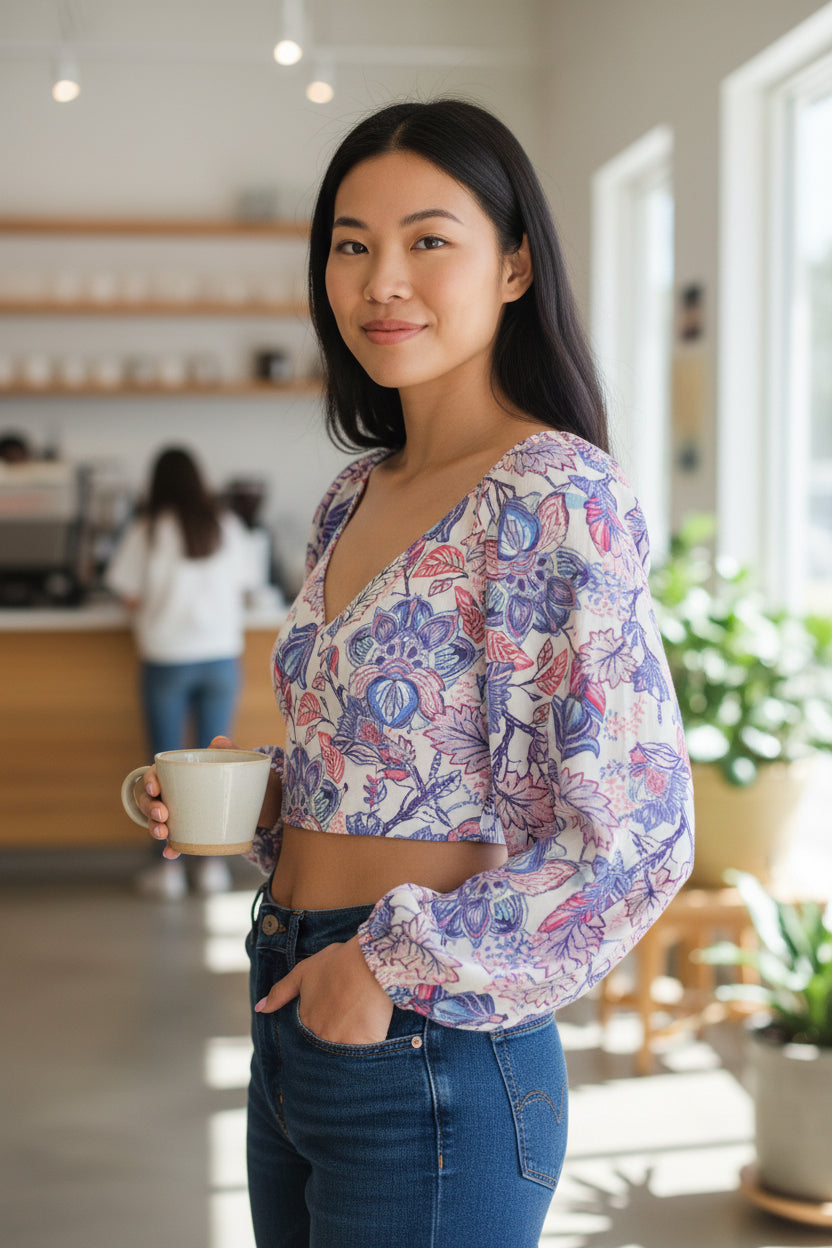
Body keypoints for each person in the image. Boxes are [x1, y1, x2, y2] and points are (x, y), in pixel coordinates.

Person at [133, 100, 695, 1245]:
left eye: (428, 240)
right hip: (295, 991)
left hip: (429, 1028)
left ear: (513, 264)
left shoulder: (552, 493)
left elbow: (637, 831)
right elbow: (398, 762)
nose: (381, 280)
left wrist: (385, 969)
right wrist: (254, 795)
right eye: (352, 244)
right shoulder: (353, 495)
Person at [108, 445, 257, 897]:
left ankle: (169, 870)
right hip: (220, 660)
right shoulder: (226, 526)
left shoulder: (148, 529)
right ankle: (211, 869)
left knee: (164, 771)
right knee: (214, 766)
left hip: (167, 660)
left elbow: (127, 593)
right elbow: (249, 589)